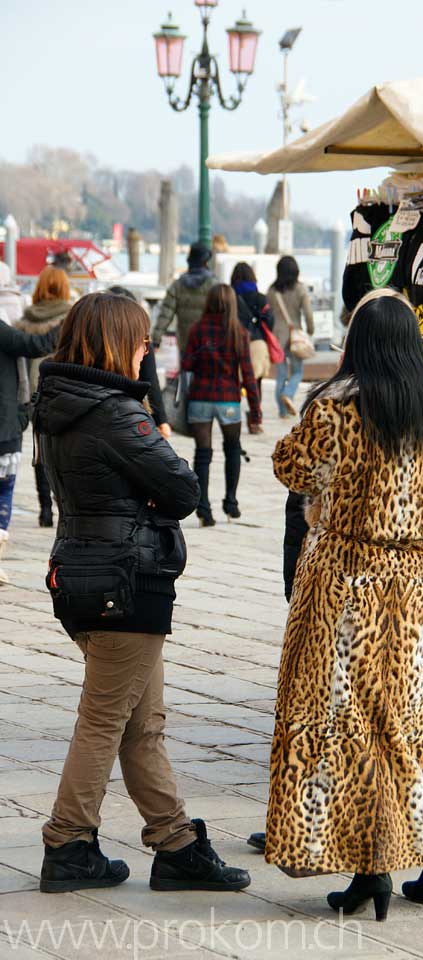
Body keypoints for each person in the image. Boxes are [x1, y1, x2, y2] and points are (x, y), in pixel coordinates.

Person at [33, 292, 250, 895]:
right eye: (142, 341)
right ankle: (68, 840)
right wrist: (149, 417)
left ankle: (175, 842)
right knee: (106, 719)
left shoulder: (60, 405)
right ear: (117, 343)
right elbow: (182, 490)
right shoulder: (117, 415)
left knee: (140, 721)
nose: (146, 351)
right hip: (127, 583)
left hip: (82, 574)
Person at [265, 289, 423, 921]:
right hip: (413, 583)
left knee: (343, 726)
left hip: (344, 586)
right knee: (410, 729)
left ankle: (370, 870)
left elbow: (287, 468)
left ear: (356, 344)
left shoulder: (337, 410)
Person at [181, 284, 260, 526]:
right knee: (232, 448)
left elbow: (186, 366)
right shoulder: (239, 332)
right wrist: (255, 410)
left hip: (201, 398)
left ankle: (204, 507)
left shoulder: (197, 331)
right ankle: (231, 502)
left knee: (202, 454)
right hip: (228, 398)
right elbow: (247, 374)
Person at [0, 317, 59, 583]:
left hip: (8, 422)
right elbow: (38, 345)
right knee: (4, 490)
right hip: (3, 427)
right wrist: (69, 322)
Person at [14, 266, 71, 527]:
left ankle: (44, 508)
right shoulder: (70, 317)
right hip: (64, 390)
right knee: (65, 450)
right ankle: (64, 505)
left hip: (35, 393)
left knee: (40, 450)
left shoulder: (27, 319)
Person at [107, 285, 172, 440]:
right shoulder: (139, 339)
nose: (145, 350)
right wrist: (161, 419)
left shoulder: (95, 340)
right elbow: (150, 379)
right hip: (129, 414)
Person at [267, 255, 314, 418]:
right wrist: (310, 330)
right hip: (295, 337)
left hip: (277, 337)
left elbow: (268, 315)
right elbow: (308, 313)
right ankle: (288, 393)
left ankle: (282, 411)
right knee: (297, 372)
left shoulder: (272, 291)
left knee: (280, 375)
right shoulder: (300, 289)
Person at [231, 261, 274, 434]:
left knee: (234, 381)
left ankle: (233, 418)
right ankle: (255, 421)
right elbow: (270, 320)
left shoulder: (230, 296)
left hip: (234, 341)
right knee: (255, 383)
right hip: (256, 342)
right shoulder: (260, 298)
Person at [152, 242, 216, 355]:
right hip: (209, 341)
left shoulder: (178, 285)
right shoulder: (214, 284)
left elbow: (165, 314)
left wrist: (156, 339)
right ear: (206, 261)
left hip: (186, 342)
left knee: (186, 370)